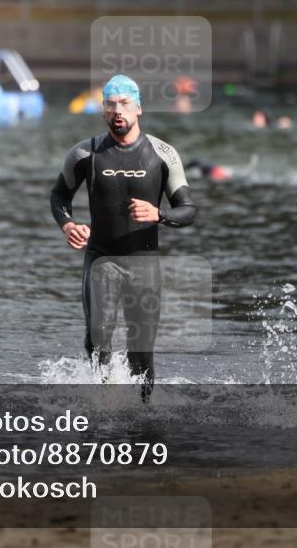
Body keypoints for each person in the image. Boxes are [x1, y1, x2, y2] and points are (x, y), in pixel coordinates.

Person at [49, 74, 197, 400]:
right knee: (99, 334)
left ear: (139, 108)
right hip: (102, 259)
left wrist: (160, 214)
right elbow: (59, 195)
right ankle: (103, 403)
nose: (118, 110)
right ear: (102, 111)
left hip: (144, 264)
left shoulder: (163, 154)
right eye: (111, 104)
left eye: (125, 103)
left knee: (141, 351)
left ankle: (142, 412)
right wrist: (68, 224)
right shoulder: (84, 154)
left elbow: (188, 209)